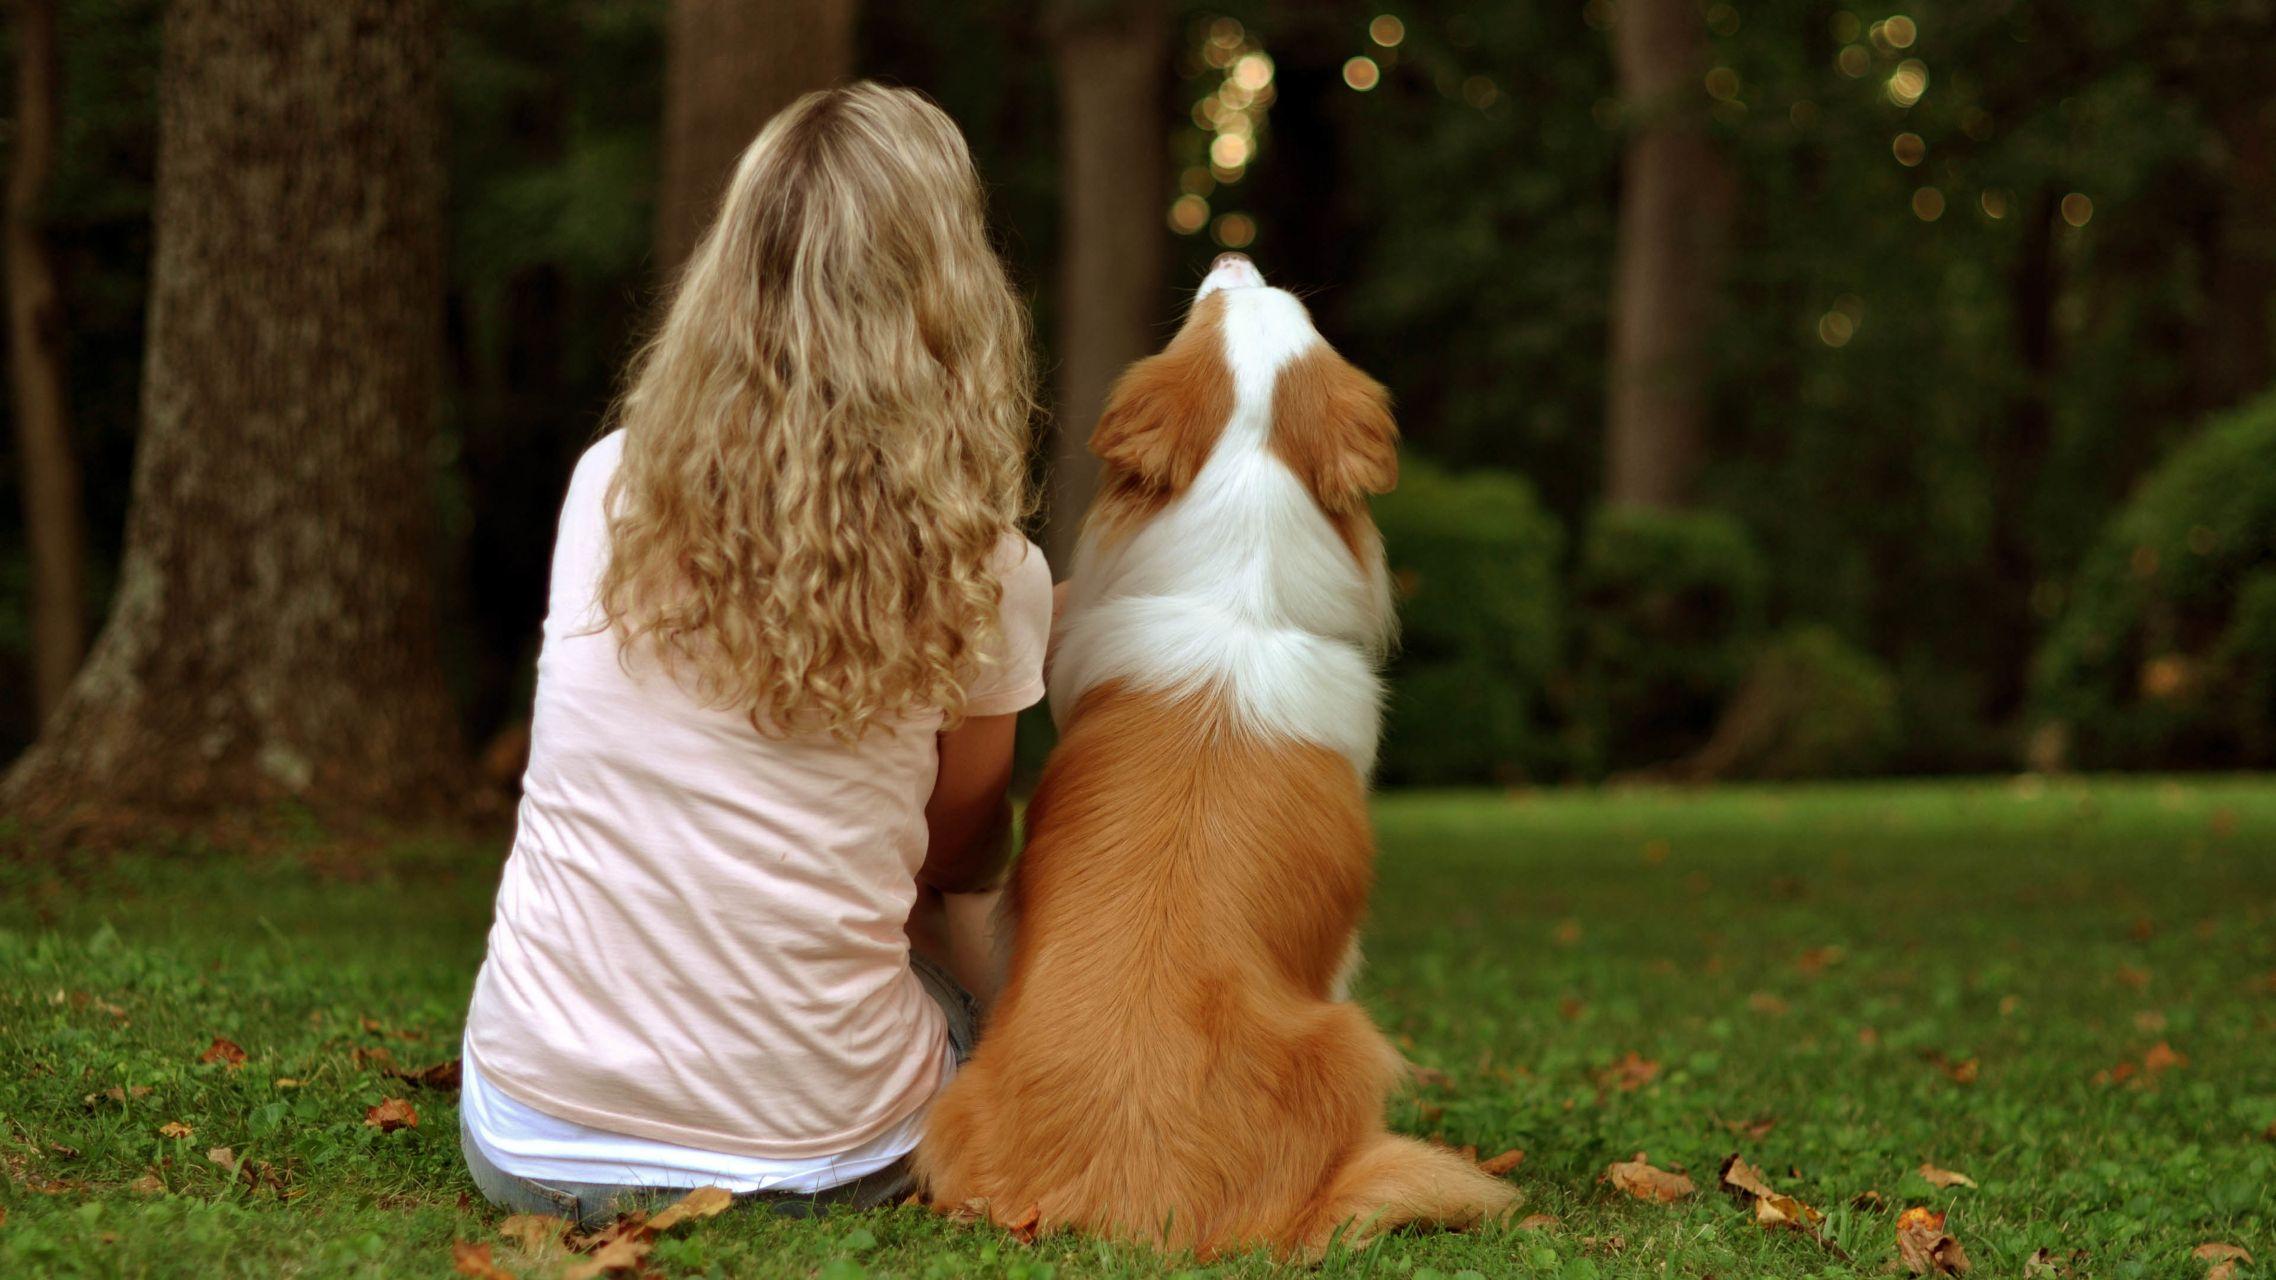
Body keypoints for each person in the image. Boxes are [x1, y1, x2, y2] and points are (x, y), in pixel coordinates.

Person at [458, 82, 1050, 1227]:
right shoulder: (987, 569)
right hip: (817, 1164)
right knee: (948, 940)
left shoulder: (612, 486)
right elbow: (959, 857)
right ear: (951, 298)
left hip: (527, 1140)